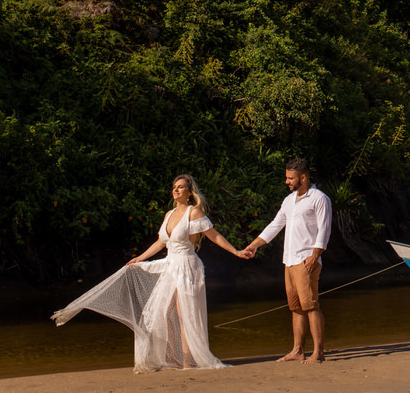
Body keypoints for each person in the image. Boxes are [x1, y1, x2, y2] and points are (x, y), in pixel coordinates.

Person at [52, 174, 249, 373]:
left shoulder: (194, 212)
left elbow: (213, 235)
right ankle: (172, 357)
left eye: (181, 187)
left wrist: (236, 251)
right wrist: (140, 258)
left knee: (184, 315)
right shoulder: (168, 214)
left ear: (190, 193)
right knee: (162, 313)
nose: (176, 190)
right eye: (174, 187)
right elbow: (160, 243)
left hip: (187, 267)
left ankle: (188, 361)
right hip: (170, 266)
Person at [244, 158, 332, 364]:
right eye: (287, 177)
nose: (287, 182)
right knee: (295, 307)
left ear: (303, 177)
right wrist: (255, 244)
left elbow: (324, 229)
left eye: (290, 178)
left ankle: (318, 352)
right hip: (289, 260)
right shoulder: (289, 200)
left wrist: (315, 255)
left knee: (310, 306)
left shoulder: (319, 198)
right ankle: (297, 350)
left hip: (306, 259)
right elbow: (276, 225)